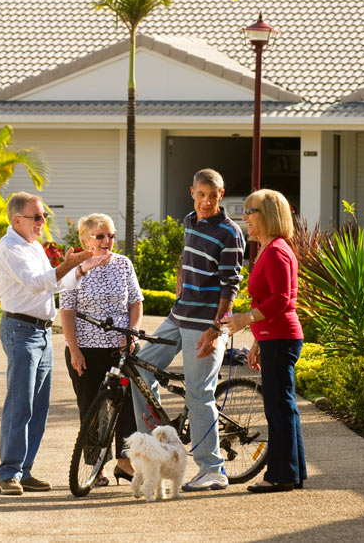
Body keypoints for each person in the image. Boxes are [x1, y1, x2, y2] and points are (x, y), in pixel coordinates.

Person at [130, 168, 244, 492]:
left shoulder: (230, 233)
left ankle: (213, 469)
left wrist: (215, 329)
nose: (206, 201)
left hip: (206, 324)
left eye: (213, 195)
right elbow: (186, 255)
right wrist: (181, 277)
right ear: (191, 191)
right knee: (139, 374)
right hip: (179, 317)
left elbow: (230, 286)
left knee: (198, 395)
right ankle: (157, 450)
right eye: (201, 194)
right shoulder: (189, 221)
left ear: (221, 195)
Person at [0, 192, 111, 496]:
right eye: (37, 217)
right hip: (21, 329)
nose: (42, 221)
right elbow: (36, 283)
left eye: (43, 215)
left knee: (38, 406)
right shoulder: (9, 249)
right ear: (17, 219)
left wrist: (80, 268)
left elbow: (55, 284)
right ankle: (8, 473)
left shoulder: (33, 246)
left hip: (42, 332)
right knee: (20, 404)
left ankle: (25, 470)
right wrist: (68, 265)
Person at [225, 188, 306, 493]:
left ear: (269, 215)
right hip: (274, 337)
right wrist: (258, 340)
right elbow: (270, 300)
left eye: (251, 211)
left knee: (279, 408)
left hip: (282, 337)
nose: (244, 217)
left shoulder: (276, 251)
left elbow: (283, 300)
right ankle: (291, 474)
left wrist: (245, 320)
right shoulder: (268, 249)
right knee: (283, 407)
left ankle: (281, 476)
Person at [59, 213, 143, 486]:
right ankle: (97, 466)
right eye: (100, 236)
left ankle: (125, 461)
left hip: (121, 348)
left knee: (127, 405)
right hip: (86, 348)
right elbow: (67, 312)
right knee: (91, 407)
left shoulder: (123, 264)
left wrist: (131, 334)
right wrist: (74, 350)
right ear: (85, 240)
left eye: (111, 235)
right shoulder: (74, 271)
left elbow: (136, 303)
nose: (107, 241)